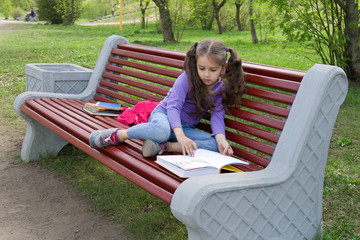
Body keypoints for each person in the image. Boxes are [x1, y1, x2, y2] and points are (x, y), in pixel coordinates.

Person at [89, 39, 246, 158]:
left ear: (223, 68)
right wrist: (181, 137)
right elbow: (173, 107)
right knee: (162, 130)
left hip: (184, 128)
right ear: (195, 63)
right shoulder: (187, 78)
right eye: (201, 68)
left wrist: (221, 139)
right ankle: (119, 135)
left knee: (214, 144)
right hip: (163, 116)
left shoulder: (220, 89)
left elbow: (217, 116)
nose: (206, 74)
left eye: (213, 70)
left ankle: (163, 147)